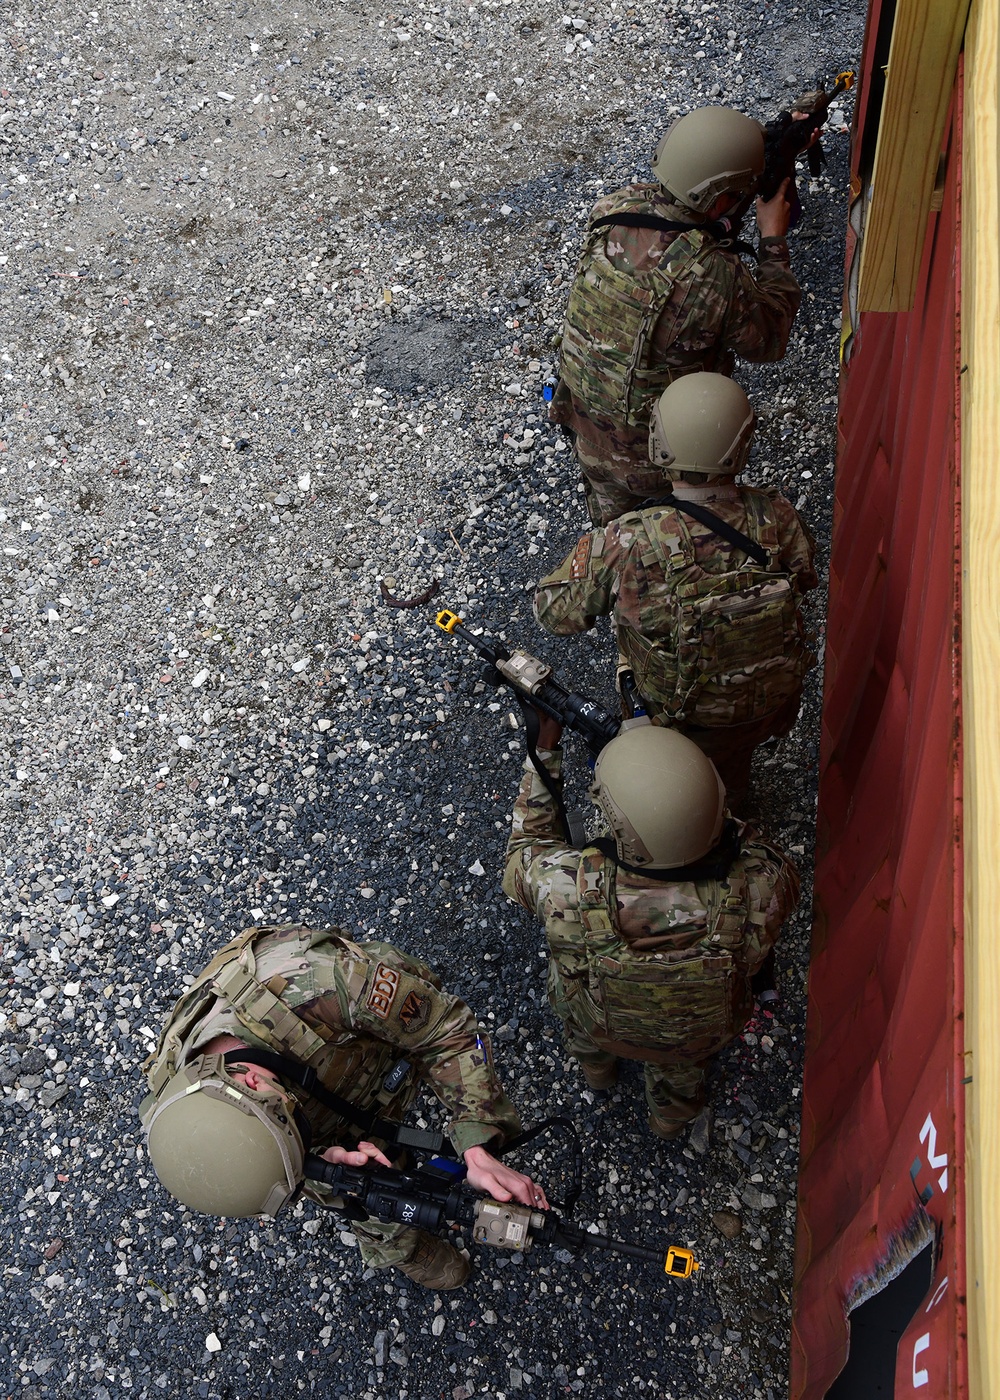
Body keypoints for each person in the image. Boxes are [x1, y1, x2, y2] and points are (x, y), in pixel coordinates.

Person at [140, 924, 548, 1290]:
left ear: (251, 1080)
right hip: (307, 1099)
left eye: (292, 1126)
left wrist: (477, 1141)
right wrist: (320, 1160)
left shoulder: (320, 984)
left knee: (417, 1010)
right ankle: (397, 1246)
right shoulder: (184, 1115)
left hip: (363, 1048)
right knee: (358, 1190)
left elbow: (447, 1029)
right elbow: (271, 1159)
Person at [502, 718, 799, 1138]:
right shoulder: (764, 886)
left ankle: (598, 1074)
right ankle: (668, 1124)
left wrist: (544, 753)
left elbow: (524, 849)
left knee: (575, 1004)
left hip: (599, 1020)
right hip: (696, 1033)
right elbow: (756, 845)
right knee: (681, 1078)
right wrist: (700, 813)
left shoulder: (562, 888)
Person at [534, 373, 817, 809]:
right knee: (731, 773)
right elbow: (804, 578)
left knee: (669, 803)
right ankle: (734, 804)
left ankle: (680, 823)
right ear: (742, 444)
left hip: (680, 720)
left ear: (657, 443)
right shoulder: (775, 514)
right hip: (766, 708)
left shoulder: (627, 541)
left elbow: (554, 614)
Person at [550, 105, 802, 524]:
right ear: (723, 195)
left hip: (583, 427)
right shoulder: (715, 277)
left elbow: (685, 223)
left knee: (613, 535)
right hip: (663, 462)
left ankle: (609, 552)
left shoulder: (612, 208)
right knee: (674, 546)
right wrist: (773, 239)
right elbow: (771, 340)